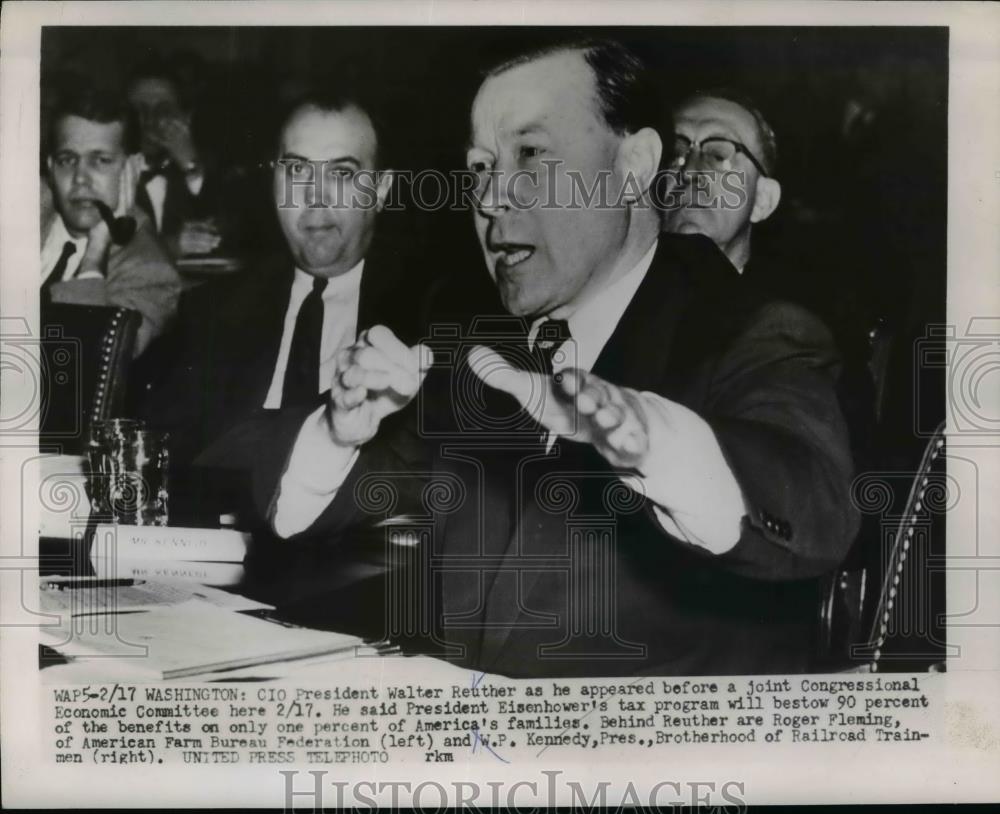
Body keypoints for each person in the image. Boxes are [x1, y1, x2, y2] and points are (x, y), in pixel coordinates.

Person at [252, 41, 860, 677]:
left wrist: (653, 441)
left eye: (531, 155)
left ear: (635, 164)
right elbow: (310, 504)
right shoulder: (481, 341)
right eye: (481, 168)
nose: (490, 198)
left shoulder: (753, 327)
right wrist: (339, 430)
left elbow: (813, 502)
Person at [139, 86, 423, 522]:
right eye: (296, 171)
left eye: (343, 174)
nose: (316, 197)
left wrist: (256, 442)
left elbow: (423, 476)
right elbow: (168, 455)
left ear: (381, 189)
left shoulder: (427, 312)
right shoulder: (214, 309)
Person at [42, 83, 181, 356]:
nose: (80, 178)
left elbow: (87, 367)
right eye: (67, 160)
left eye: (101, 161)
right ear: (50, 167)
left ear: (132, 169)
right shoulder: (22, 215)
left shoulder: (150, 272)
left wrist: (94, 257)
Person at [660, 89, 781, 273]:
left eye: (717, 155)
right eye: (675, 154)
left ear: (762, 200)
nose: (689, 172)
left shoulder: (770, 302)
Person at [126, 59, 225, 260]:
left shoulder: (210, 170)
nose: (150, 121)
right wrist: (169, 246)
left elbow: (228, 235)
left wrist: (190, 165)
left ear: (186, 117)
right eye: (139, 111)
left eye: (163, 110)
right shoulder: (108, 172)